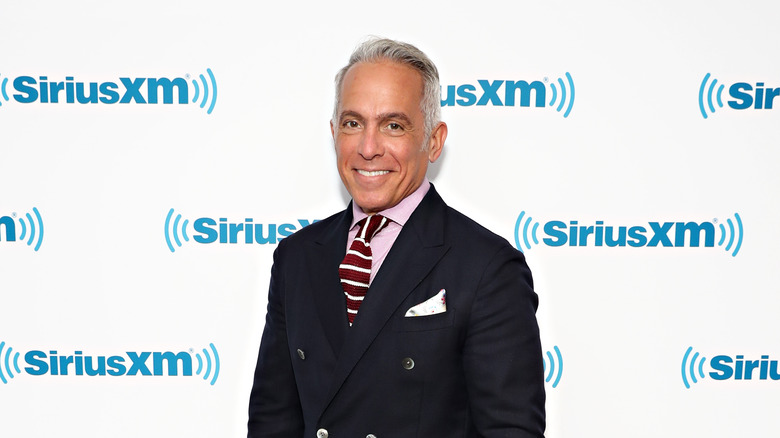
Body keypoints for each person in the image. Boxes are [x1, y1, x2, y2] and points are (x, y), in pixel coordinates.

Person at [248, 37, 545, 438]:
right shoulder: (296, 257)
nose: (369, 148)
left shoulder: (487, 268)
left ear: (434, 141)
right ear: (334, 132)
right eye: (354, 123)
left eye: (393, 125)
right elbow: (272, 419)